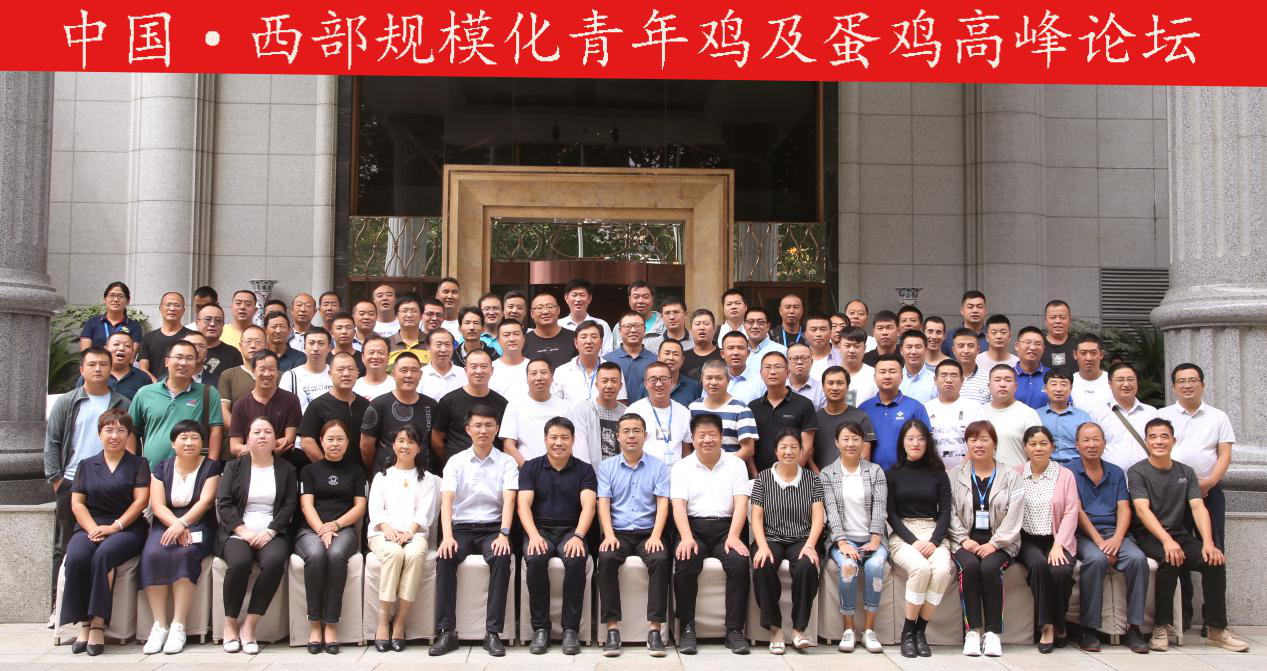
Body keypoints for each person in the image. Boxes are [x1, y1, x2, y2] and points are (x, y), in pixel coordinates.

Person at [1130, 418, 1248, 653]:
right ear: (1146, 441)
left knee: (1214, 561)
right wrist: (1166, 541)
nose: (1159, 441)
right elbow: (1142, 510)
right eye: (1153, 437)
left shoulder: (1186, 472)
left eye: (1164, 436)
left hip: (1179, 533)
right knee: (1170, 558)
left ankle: (1216, 629)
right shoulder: (1137, 471)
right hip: (1149, 535)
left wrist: (1208, 543)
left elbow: (1198, 507)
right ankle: (1161, 627)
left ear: (1174, 440)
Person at [58, 408, 149, 656]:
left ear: (129, 435)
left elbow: (140, 501)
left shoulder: (139, 464)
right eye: (109, 430)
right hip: (91, 525)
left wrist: (115, 527)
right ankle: (83, 624)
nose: (115, 436)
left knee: (103, 555)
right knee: (77, 557)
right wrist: (93, 529)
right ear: (99, 434)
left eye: (121, 430)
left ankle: (97, 623)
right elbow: (77, 503)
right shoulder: (86, 465)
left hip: (126, 528)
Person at [429, 405, 518, 658]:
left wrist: (504, 534)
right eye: (478, 425)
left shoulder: (507, 462)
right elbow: (447, 501)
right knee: (445, 556)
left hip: (493, 528)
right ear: (468, 429)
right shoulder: (456, 461)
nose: (483, 431)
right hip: (461, 528)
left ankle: (493, 633)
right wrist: (447, 537)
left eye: (489, 425)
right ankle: (446, 631)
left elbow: (509, 500)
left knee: (501, 556)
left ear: (497, 429)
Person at [45, 348, 133, 605]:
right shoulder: (67, 402)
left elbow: (130, 443)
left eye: (103, 364)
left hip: (112, 483)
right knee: (65, 544)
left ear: (111, 369)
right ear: (81, 369)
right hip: (71, 481)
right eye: (92, 364)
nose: (98, 369)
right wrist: (57, 480)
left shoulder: (122, 403)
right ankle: (58, 604)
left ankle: (98, 605)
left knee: (103, 544)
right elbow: (52, 441)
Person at [1158, 363, 1235, 631]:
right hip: (1173, 494)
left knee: (1213, 552)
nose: (1187, 385)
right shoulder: (1163, 415)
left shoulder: (1218, 417)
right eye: (1181, 381)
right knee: (1178, 551)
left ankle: (1213, 620)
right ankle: (1184, 615)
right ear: (1173, 386)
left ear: (1203, 384)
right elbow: (1156, 450)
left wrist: (1209, 482)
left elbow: (1224, 454)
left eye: (1192, 380)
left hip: (1209, 492)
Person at [670, 413, 752, 655]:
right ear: (693, 438)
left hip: (727, 528)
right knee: (685, 560)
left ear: (721, 437)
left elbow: (741, 503)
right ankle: (687, 627)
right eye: (702, 435)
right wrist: (686, 537)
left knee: (738, 563)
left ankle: (734, 630)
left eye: (712, 435)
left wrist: (734, 536)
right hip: (693, 528)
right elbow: (678, 505)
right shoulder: (682, 466)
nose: (707, 440)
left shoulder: (736, 465)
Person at [139, 420, 222, 655]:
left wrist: (183, 523)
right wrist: (175, 524)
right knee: (153, 553)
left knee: (186, 553)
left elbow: (205, 502)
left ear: (202, 442)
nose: (189, 443)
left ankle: (178, 625)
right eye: (183, 438)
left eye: (194, 438)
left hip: (198, 522)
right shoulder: (160, 468)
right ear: (173, 443)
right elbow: (157, 505)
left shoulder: (211, 467)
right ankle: (159, 625)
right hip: (166, 522)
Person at [216, 416, 298, 655]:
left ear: (276, 440)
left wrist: (271, 530)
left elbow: (289, 505)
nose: (262, 436)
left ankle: (249, 626)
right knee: (240, 562)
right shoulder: (233, 467)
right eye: (257, 432)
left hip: (272, 531)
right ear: (247, 439)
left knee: (274, 563)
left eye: (268, 432)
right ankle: (230, 624)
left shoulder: (286, 469)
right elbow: (224, 503)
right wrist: (243, 531)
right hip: (238, 531)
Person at [1069, 422, 1151, 653]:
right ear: (1077, 445)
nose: (1091, 444)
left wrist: (1116, 539)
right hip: (1085, 535)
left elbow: (1124, 508)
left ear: (1104, 443)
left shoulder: (1115, 472)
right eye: (1086, 440)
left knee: (1137, 559)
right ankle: (1089, 629)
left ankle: (1134, 628)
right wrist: (1100, 542)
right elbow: (1077, 511)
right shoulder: (1069, 472)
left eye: (1096, 439)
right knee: (1096, 560)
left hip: (1115, 533)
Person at [518, 418, 597, 655]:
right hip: (540, 530)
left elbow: (589, 506)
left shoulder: (584, 469)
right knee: (536, 559)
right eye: (553, 437)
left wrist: (579, 536)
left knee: (576, 560)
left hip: (572, 531)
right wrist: (533, 535)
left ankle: (570, 629)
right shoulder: (531, 467)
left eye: (564, 438)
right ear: (545, 440)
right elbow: (523, 506)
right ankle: (540, 629)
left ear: (573, 440)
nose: (559, 442)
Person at [596, 414, 671, 657]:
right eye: (626, 431)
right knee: (606, 559)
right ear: (617, 436)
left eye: (636, 431)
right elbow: (603, 503)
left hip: (648, 532)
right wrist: (608, 534)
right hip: (617, 533)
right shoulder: (607, 467)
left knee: (660, 559)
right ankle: (612, 629)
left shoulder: (658, 466)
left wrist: (656, 535)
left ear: (645, 436)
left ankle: (655, 630)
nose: (631, 436)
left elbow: (662, 503)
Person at [949, 420, 1024, 658]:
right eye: (973, 440)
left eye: (984, 439)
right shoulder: (954, 475)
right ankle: (972, 631)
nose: (978, 445)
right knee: (970, 567)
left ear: (995, 444)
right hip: (965, 541)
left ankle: (993, 633)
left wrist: (994, 544)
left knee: (990, 568)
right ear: (967, 444)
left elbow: (1015, 516)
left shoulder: (1012, 477)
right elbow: (948, 512)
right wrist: (963, 539)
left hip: (1001, 542)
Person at [295, 419, 368, 654]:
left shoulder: (356, 471)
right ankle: (315, 624)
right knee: (316, 555)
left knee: (336, 555)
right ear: (321, 441)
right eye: (330, 439)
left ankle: (332, 625)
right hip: (310, 530)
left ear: (348, 442)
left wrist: (335, 525)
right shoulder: (308, 470)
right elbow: (306, 505)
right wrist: (322, 529)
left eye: (340, 439)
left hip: (344, 529)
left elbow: (360, 507)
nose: (335, 444)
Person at [749, 429, 825, 653]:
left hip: (802, 538)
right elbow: (756, 517)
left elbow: (818, 518)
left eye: (794, 447)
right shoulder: (763, 478)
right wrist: (762, 546)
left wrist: (810, 545)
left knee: (807, 566)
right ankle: (775, 629)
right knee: (763, 564)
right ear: (776, 451)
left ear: (801, 451)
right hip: (770, 537)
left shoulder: (812, 479)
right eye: (783, 447)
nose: (789, 451)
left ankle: (799, 630)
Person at [367, 425, 439, 653]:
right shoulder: (382, 476)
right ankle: (382, 622)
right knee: (394, 552)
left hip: (414, 533)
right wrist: (388, 529)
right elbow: (375, 510)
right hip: (382, 533)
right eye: (400, 441)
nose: (405, 446)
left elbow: (425, 512)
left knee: (415, 553)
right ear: (393, 445)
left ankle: (399, 622)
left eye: (411, 442)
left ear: (419, 448)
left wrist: (409, 531)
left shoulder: (427, 479)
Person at [885, 419, 953, 658]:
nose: (915, 443)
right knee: (920, 568)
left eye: (921, 439)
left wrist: (934, 541)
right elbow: (891, 514)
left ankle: (920, 632)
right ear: (902, 443)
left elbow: (946, 511)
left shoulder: (939, 474)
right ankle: (907, 633)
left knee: (942, 570)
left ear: (928, 443)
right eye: (910, 438)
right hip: (903, 535)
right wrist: (913, 541)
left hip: (933, 532)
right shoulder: (892, 474)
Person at [819, 422, 887, 653]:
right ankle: (848, 629)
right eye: (846, 439)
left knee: (875, 566)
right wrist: (841, 542)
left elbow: (880, 506)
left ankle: (869, 630)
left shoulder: (875, 471)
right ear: (836, 442)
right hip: (843, 539)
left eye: (856, 439)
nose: (851, 444)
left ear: (862, 442)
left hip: (872, 538)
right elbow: (831, 511)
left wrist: (875, 538)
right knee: (848, 567)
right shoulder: (828, 473)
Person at [1013, 426, 1079, 653]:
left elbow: (1071, 512)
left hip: (1058, 538)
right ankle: (1047, 627)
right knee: (1040, 566)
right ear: (1025, 447)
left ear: (1052, 446)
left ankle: (1059, 621)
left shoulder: (1065, 475)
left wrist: (1059, 545)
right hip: (1027, 540)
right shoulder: (1016, 474)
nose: (1038, 448)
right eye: (1032, 444)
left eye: (1043, 443)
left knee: (1061, 571)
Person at [130, 340, 225, 463]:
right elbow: (131, 430)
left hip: (193, 470)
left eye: (189, 358)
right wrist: (131, 465)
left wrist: (211, 466)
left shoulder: (208, 393)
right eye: (179, 357)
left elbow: (216, 430)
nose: (183, 363)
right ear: (166, 361)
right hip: (152, 468)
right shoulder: (145, 393)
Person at [360, 352, 436, 474]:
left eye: (414, 370)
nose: (409, 375)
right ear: (393, 374)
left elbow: (435, 442)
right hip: (386, 475)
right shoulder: (378, 405)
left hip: (423, 477)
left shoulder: (431, 405)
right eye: (404, 370)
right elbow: (366, 446)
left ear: (421, 375)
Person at [431, 350, 508, 466]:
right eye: (474, 367)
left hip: (493, 468)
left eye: (484, 366)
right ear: (466, 370)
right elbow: (436, 439)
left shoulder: (502, 403)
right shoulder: (449, 401)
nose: (479, 371)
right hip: (457, 469)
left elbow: (506, 440)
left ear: (491, 370)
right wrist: (449, 464)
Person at [227, 351, 302, 466]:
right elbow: (234, 446)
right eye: (262, 369)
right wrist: (267, 450)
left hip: (284, 465)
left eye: (271, 369)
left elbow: (290, 438)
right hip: (250, 466)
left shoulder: (291, 400)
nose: (267, 374)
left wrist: (258, 448)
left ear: (277, 372)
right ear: (253, 372)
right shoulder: (240, 405)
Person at [858, 354, 931, 470]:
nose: (887, 376)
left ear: (901, 377)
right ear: (875, 377)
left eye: (892, 371)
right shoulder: (864, 409)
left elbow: (927, 443)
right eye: (882, 372)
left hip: (906, 474)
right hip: (872, 475)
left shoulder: (915, 407)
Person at [749, 351, 818, 472]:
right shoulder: (753, 407)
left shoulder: (804, 404)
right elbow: (749, 447)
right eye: (767, 367)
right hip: (760, 478)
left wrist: (790, 475)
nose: (772, 371)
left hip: (795, 477)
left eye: (778, 367)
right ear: (761, 373)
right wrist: (756, 477)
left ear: (788, 373)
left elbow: (807, 448)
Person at [299, 352, 369, 465]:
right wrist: (328, 468)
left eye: (351, 369)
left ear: (357, 373)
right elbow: (307, 441)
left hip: (359, 472)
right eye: (340, 369)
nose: (346, 374)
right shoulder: (317, 405)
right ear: (330, 373)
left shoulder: (365, 405)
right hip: (327, 472)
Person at [689, 358, 758, 473]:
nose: (713, 382)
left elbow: (748, 449)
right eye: (709, 378)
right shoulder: (693, 408)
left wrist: (722, 468)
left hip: (731, 472)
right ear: (702, 379)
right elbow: (689, 443)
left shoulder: (741, 409)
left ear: (728, 380)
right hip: (699, 472)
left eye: (719, 378)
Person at [500, 358, 572, 465]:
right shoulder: (515, 405)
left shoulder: (565, 406)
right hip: (526, 470)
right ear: (526, 378)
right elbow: (508, 446)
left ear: (552, 376)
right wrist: (527, 469)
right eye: (533, 373)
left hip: (560, 470)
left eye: (544, 372)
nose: (539, 377)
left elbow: (572, 443)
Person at [972, 364, 1042, 469]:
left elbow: (1038, 452)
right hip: (984, 476)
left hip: (1018, 476)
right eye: (997, 380)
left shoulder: (1028, 414)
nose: (1002, 384)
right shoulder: (979, 413)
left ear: (1015, 386)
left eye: (1008, 380)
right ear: (989, 386)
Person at [1094, 363, 1158, 471]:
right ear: (1110, 384)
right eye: (1120, 380)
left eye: (1130, 379)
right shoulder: (1099, 414)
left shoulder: (1151, 413)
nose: (1126, 384)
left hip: (1147, 478)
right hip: (1112, 478)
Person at [627, 362, 691, 467]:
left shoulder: (684, 412)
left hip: (675, 474)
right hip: (644, 473)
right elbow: (626, 448)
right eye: (653, 379)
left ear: (671, 381)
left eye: (663, 379)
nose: (659, 384)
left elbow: (686, 450)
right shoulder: (634, 411)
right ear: (645, 384)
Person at [814, 366, 876, 469]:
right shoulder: (814, 418)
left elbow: (864, 457)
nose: (835, 388)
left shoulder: (861, 417)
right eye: (830, 383)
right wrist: (819, 476)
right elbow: (810, 454)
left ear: (847, 387)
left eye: (840, 383)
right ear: (823, 387)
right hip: (819, 477)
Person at [924, 359, 981, 468]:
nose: (949, 380)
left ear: (962, 380)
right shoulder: (925, 409)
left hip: (968, 471)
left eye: (954, 375)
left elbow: (980, 441)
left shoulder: (975, 407)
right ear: (935, 380)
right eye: (944, 375)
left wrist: (960, 469)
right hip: (934, 472)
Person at [571, 361, 627, 464]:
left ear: (620, 385)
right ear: (596, 385)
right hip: (590, 471)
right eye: (604, 381)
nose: (609, 386)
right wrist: (587, 473)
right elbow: (580, 449)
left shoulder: (627, 413)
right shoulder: (583, 410)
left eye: (614, 381)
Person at [1038, 369, 1093, 464]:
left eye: (1063, 384)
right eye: (1053, 384)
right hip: (1045, 467)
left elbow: (1089, 446)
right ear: (1045, 388)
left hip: (1077, 467)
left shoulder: (1083, 417)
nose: (1058, 389)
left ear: (1071, 388)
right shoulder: (1035, 416)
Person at [604, 311, 657, 404]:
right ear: (620, 331)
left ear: (644, 329)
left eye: (638, 326)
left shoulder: (655, 361)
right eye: (628, 326)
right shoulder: (607, 361)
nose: (633, 330)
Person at [139, 292, 194, 379]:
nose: (172, 309)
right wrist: (158, 385)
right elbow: (143, 368)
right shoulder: (148, 338)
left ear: (183, 310)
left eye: (177, 305)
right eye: (168, 305)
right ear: (160, 309)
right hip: (154, 385)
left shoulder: (191, 337)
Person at [280, 327, 333, 412]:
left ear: (329, 347)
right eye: (311, 343)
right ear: (304, 346)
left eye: (321, 343)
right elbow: (283, 409)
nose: (315, 348)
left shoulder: (337, 374)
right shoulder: (290, 377)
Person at [553, 320, 605, 403]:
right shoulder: (561, 371)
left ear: (601, 342)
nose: (589, 341)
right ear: (576, 343)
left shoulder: (612, 370)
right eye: (583, 337)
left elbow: (620, 403)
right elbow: (555, 404)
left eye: (594, 337)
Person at [80, 281, 143, 350]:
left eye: (121, 296)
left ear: (128, 301)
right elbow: (85, 353)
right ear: (105, 299)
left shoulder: (134, 326)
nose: (116, 299)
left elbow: (131, 354)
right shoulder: (92, 323)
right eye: (112, 295)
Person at [558, 278, 614, 355]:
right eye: (574, 295)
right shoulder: (558, 325)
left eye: (582, 295)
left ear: (589, 298)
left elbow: (607, 354)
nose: (578, 299)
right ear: (566, 297)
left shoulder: (602, 324)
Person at [524, 292, 577, 369]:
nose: (545, 312)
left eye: (550, 307)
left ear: (558, 310)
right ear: (532, 314)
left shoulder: (574, 338)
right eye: (539, 308)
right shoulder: (523, 341)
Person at [94, 331, 154, 399]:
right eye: (116, 344)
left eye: (127, 346)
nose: (121, 348)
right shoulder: (92, 373)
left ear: (132, 352)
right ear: (106, 350)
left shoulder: (144, 378)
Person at [197, 304, 243, 388]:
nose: (212, 324)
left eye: (218, 320)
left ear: (223, 325)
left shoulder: (233, 353)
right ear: (197, 323)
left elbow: (237, 386)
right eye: (207, 319)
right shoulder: (186, 349)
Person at [419, 329, 466, 401]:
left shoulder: (464, 374)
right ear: (428, 348)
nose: (443, 349)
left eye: (447, 345)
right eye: (438, 345)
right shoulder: (420, 375)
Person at [489, 318, 530, 401]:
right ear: (498, 341)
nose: (512, 339)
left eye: (516, 334)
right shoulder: (489, 369)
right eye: (506, 335)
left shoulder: (533, 367)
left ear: (523, 338)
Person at [741, 306, 787, 378]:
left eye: (760, 322)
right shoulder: (738, 351)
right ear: (744, 326)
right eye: (750, 322)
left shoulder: (781, 351)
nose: (755, 326)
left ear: (768, 326)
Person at [1071, 333, 1113, 412]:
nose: (1089, 358)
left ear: (1101, 354)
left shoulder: (1112, 381)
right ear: (1075, 354)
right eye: (1083, 353)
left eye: (1093, 353)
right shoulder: (1069, 382)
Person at [835, 326, 877, 405]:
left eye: (857, 346)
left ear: (864, 348)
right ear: (839, 347)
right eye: (847, 346)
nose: (852, 350)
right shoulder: (830, 375)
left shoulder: (875, 374)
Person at [720, 330, 764, 404]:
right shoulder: (713, 380)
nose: (736, 353)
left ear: (748, 353)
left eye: (740, 348)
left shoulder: (760, 382)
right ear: (722, 353)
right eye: (730, 348)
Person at [1013, 327, 1051, 409]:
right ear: (1017, 346)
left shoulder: (1052, 376)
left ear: (1043, 349)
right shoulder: (1008, 376)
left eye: (1038, 344)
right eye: (1028, 342)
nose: (1033, 347)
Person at [951, 327, 991, 404]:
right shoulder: (945, 379)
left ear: (978, 350)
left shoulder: (989, 378)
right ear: (953, 350)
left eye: (971, 346)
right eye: (961, 346)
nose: (966, 351)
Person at [387, 294, 429, 366]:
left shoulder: (431, 342)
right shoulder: (387, 343)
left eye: (414, 311)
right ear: (397, 315)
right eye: (405, 311)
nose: (409, 315)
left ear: (421, 315)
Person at [682, 308, 722, 382]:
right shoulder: (682, 358)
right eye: (697, 324)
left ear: (714, 329)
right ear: (691, 331)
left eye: (706, 324)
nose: (702, 328)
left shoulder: (723, 355)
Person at [657, 338, 701, 406]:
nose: (671, 358)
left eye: (675, 354)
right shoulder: (648, 385)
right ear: (659, 358)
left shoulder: (694, 387)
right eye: (667, 353)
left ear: (682, 360)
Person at [897, 330, 937, 403]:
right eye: (909, 347)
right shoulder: (894, 378)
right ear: (901, 350)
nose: (913, 352)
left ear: (926, 350)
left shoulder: (935, 381)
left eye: (918, 347)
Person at [353, 335, 394, 401]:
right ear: (363, 357)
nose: (375, 357)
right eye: (371, 353)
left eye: (381, 353)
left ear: (388, 357)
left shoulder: (397, 386)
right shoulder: (353, 387)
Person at [786, 342, 826, 409]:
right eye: (795, 358)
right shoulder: (778, 387)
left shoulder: (821, 389)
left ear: (812, 362)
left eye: (804, 358)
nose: (799, 362)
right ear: (787, 363)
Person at [1042, 300, 1077, 375]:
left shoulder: (1078, 346)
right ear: (1045, 320)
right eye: (1053, 317)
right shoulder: (1038, 347)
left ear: (1070, 320)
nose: (1058, 321)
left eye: (1062, 317)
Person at [326, 311, 365, 375]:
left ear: (354, 333)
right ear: (332, 334)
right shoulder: (324, 359)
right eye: (339, 328)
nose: (344, 332)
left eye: (348, 328)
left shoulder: (364, 359)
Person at [803, 314, 838, 382]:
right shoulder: (798, 358)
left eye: (823, 329)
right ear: (805, 334)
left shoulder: (843, 356)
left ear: (831, 332)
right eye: (813, 330)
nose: (818, 334)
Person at [223, 290, 258, 354]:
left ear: (255, 310)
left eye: (248, 304)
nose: (242, 307)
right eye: (238, 303)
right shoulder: (220, 332)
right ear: (231, 307)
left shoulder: (261, 334)